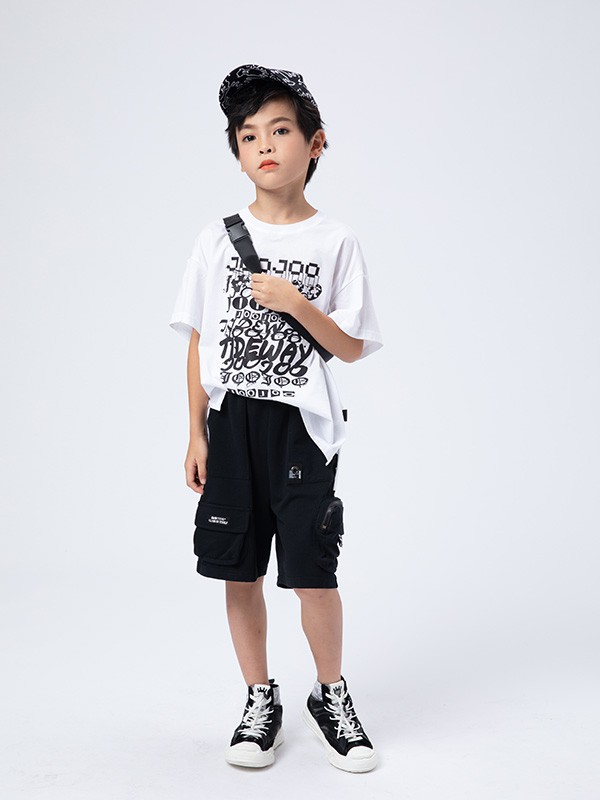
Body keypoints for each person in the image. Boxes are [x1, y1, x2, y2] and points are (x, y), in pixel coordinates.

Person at [169, 64, 384, 773]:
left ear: (315, 143)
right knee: (240, 569)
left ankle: (331, 693)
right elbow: (200, 340)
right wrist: (196, 432)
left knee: (313, 569)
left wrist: (295, 303)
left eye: (281, 129)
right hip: (232, 423)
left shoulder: (336, 240)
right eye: (248, 134)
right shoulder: (217, 238)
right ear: (237, 152)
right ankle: (260, 698)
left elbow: (351, 347)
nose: (264, 144)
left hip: (302, 427)